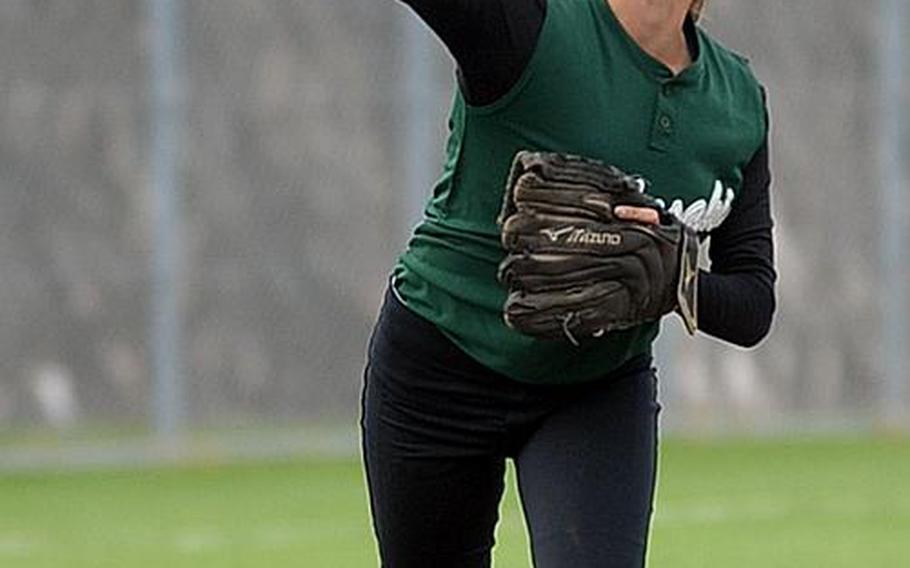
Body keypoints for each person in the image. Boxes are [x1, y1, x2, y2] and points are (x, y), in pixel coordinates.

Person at [361, 0, 776, 566]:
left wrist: (674, 278)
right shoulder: (532, 27)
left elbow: (753, 302)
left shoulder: (736, 103)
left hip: (594, 385)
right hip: (441, 364)